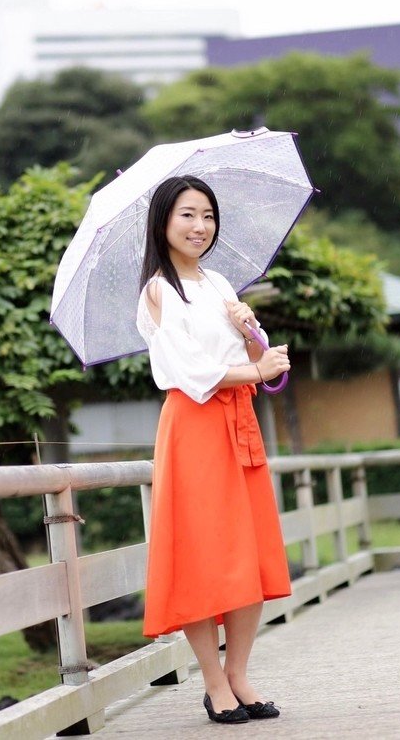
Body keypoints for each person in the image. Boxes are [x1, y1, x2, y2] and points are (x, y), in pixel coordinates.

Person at [136, 174, 293, 725]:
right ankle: (213, 682)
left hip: (238, 422)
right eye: (187, 214)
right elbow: (189, 370)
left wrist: (251, 330)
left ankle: (240, 674)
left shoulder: (221, 281)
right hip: (195, 427)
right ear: (163, 222)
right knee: (205, 555)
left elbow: (255, 355)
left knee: (246, 552)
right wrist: (254, 366)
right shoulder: (158, 289)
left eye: (208, 215)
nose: (200, 225)